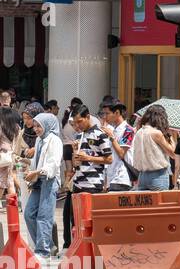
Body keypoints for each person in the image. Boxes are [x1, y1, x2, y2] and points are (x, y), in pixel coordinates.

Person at [67, 105, 111, 246]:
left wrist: (88, 158)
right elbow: (76, 163)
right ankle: (79, 248)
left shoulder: (100, 134)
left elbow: (109, 159)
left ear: (87, 117)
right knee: (76, 220)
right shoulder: (79, 135)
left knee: (90, 220)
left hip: (93, 184)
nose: (78, 125)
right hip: (78, 182)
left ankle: (91, 248)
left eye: (80, 121)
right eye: (75, 122)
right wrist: (75, 153)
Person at [23, 112, 62, 260]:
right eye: (35, 126)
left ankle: (43, 251)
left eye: (39, 126)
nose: (37, 129)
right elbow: (37, 161)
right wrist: (31, 172)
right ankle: (49, 246)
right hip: (38, 181)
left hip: (49, 181)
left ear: (47, 125)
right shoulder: (40, 140)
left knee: (44, 217)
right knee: (28, 214)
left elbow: (53, 164)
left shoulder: (55, 140)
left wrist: (36, 173)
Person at [130, 105, 179, 191]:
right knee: (160, 203)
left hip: (142, 176)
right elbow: (172, 153)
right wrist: (170, 135)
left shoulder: (139, 132)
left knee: (145, 204)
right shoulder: (156, 133)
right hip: (158, 175)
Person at [101, 101, 135, 192]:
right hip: (111, 178)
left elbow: (121, 153)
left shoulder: (128, 130)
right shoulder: (113, 130)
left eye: (107, 113)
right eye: (103, 113)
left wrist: (111, 137)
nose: (105, 116)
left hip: (122, 178)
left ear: (117, 113)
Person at [0, 108, 21, 202]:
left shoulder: (1, 127)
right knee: (10, 183)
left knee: (1, 184)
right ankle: (14, 210)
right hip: (10, 158)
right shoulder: (16, 128)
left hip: (2, 158)